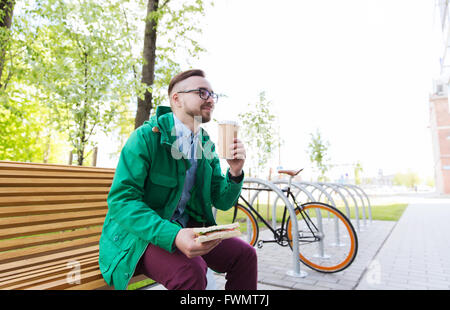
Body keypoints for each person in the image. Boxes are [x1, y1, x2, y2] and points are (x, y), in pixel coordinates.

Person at [98, 69, 258, 290]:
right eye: (202, 93)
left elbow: (221, 201)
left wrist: (235, 172)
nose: (210, 99)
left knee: (245, 255)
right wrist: (173, 235)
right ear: (177, 98)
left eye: (213, 94)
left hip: (187, 228)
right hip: (139, 237)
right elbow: (121, 202)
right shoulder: (146, 137)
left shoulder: (205, 144)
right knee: (190, 272)